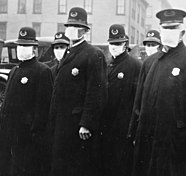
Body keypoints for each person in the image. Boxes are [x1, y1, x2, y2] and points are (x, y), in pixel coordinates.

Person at [127, 9, 186, 176]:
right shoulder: (150, 62)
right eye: (165, 29)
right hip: (148, 135)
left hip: (175, 138)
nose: (169, 32)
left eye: (173, 28)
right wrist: (134, 130)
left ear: (182, 32)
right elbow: (139, 102)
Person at [49, 7, 107, 176]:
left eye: (76, 27)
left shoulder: (93, 54)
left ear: (84, 30)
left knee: (78, 166)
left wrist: (87, 123)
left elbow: (96, 92)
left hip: (77, 125)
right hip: (61, 121)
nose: (72, 30)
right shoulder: (68, 53)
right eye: (69, 26)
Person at [0, 27, 53, 176]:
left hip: (28, 139)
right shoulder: (14, 71)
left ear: (34, 49)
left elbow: (43, 108)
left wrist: (35, 134)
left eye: (26, 46)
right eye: (19, 46)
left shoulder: (42, 71)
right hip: (10, 135)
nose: (21, 49)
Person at [101, 24, 142, 176]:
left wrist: (133, 130)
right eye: (112, 43)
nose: (114, 47)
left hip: (124, 129)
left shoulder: (135, 66)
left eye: (118, 43)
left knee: (122, 167)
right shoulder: (106, 64)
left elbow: (138, 101)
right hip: (105, 127)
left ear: (125, 44)